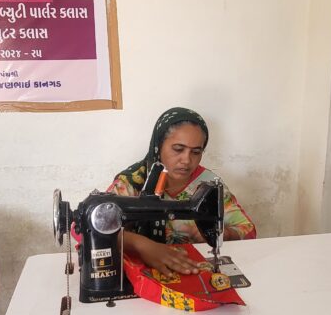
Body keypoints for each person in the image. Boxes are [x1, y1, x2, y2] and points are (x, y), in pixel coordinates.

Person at [108, 107, 256, 278]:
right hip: (139, 275)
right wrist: (142, 245)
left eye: (196, 152)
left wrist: (223, 233)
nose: (186, 160)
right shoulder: (134, 181)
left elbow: (248, 230)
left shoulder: (208, 184)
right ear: (159, 146)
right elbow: (92, 227)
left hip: (191, 269)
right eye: (178, 149)